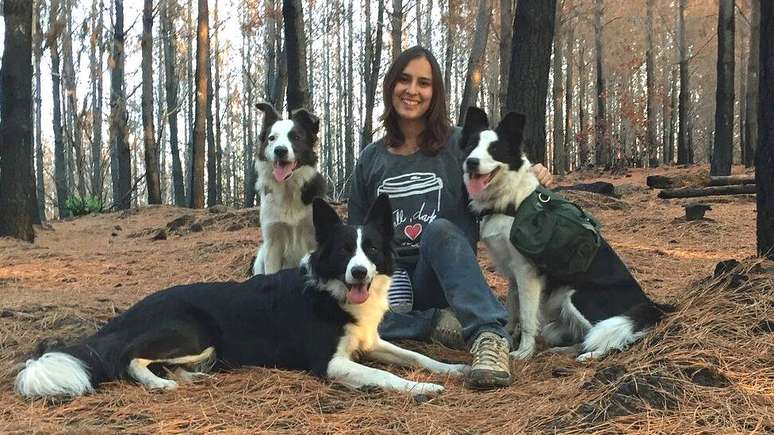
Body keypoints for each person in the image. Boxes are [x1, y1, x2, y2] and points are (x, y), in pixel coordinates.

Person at [348, 46, 553, 390]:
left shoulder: (459, 142)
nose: (412, 90)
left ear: (435, 93)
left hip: (443, 275)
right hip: (388, 284)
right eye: (404, 80)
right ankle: (436, 323)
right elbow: (354, 234)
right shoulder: (370, 160)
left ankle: (489, 336)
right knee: (345, 319)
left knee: (440, 229)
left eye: (424, 83)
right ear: (390, 86)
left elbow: (503, 158)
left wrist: (533, 172)